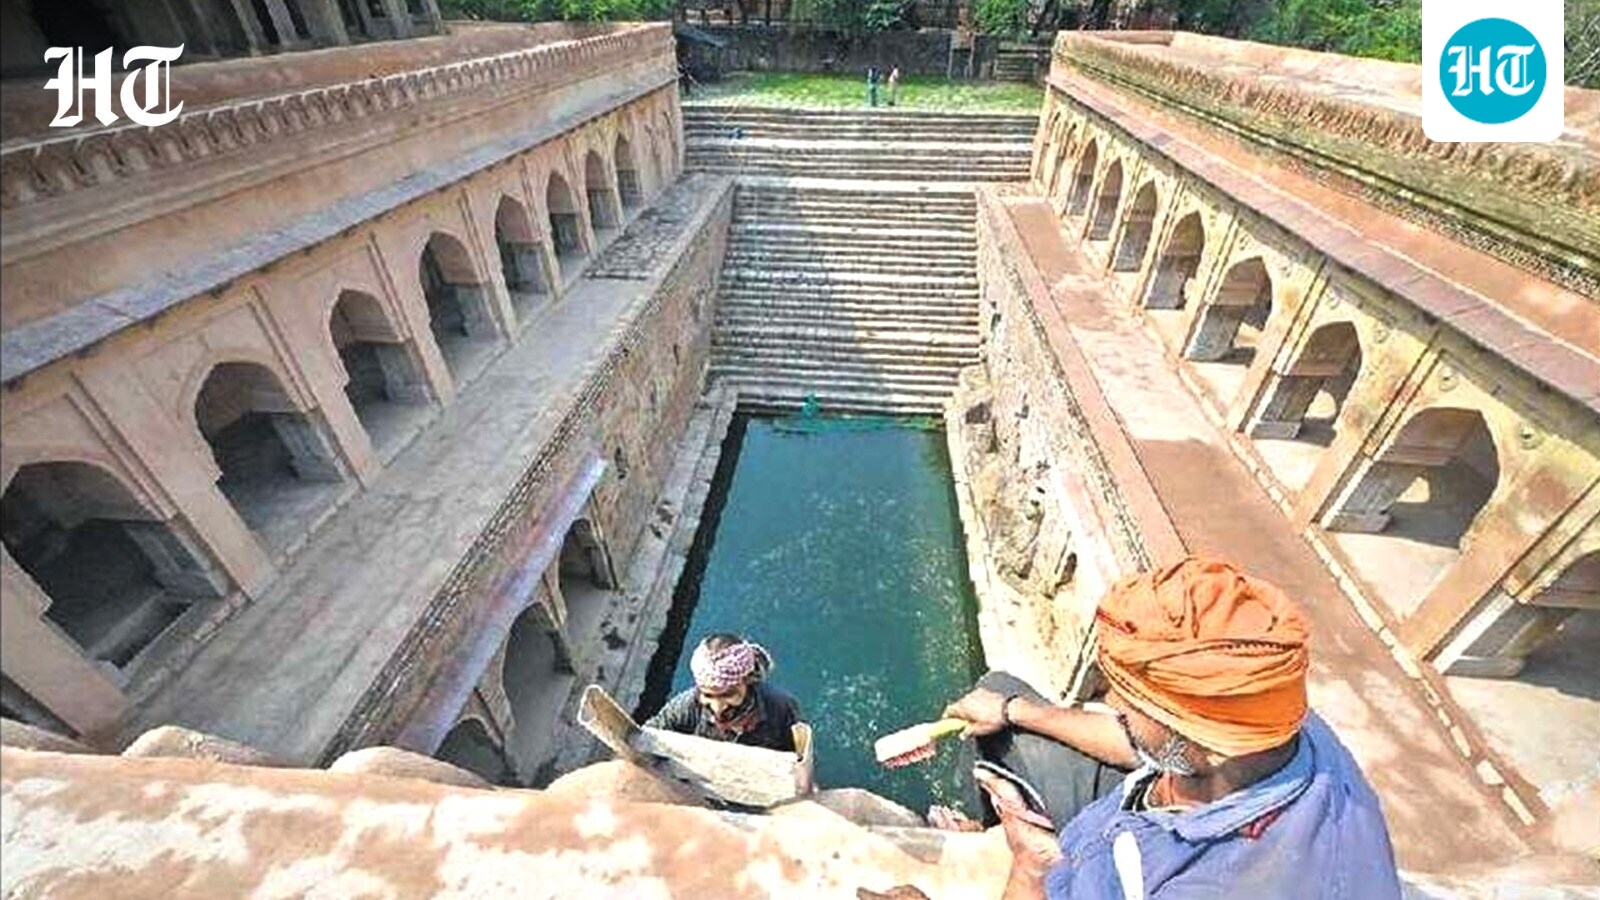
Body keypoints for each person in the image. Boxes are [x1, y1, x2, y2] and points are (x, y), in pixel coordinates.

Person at [930, 557, 1402, 899]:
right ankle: (987, 819)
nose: (1110, 704)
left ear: (1203, 740)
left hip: (1102, 860)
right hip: (1143, 814)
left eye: (1131, 700)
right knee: (1001, 693)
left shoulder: (1200, 884)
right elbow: (1153, 745)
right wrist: (1013, 710)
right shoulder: (1270, 721)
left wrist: (1031, 868)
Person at [645, 633, 802, 752]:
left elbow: (798, 751)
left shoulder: (781, 707)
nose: (717, 708)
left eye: (728, 695)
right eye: (707, 695)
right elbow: (650, 735)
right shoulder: (684, 707)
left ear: (748, 680)